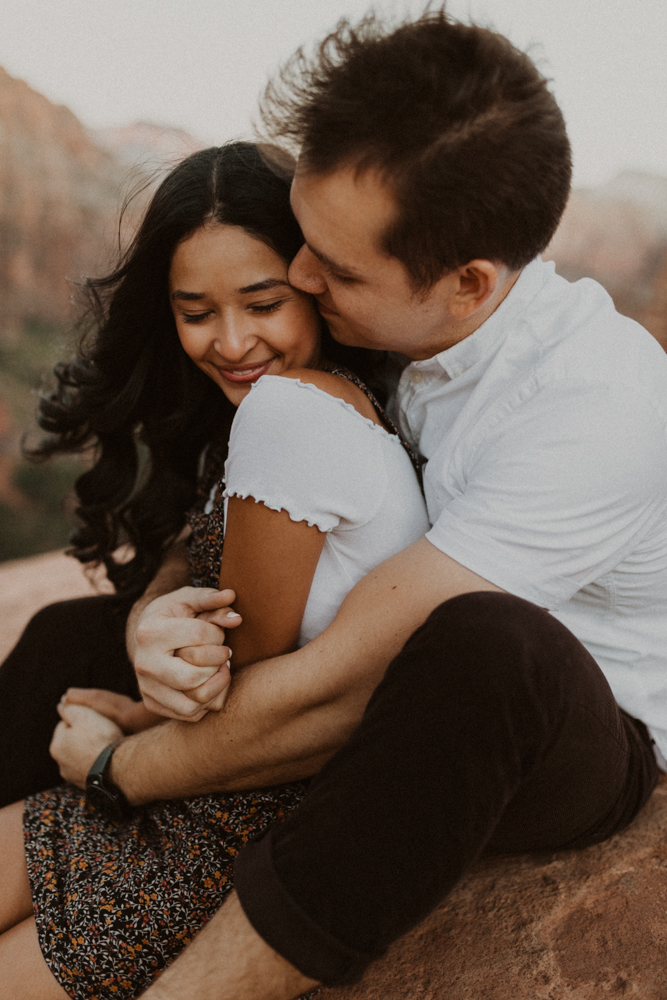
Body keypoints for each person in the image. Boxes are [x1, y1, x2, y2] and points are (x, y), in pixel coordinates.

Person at [5, 9, 667, 1000]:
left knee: (485, 647)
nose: (302, 277)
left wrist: (125, 766)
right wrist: (157, 619)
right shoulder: (400, 325)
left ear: (466, 283)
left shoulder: (594, 404)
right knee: (67, 633)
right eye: (305, 240)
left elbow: (351, 681)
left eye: (334, 267)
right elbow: (256, 509)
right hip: (380, 671)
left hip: (561, 726)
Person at [0, 141, 428, 998]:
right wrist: (143, 628)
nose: (231, 341)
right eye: (195, 311)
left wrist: (118, 741)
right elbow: (201, 564)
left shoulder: (290, 412)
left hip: (214, 832)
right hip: (186, 792)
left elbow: (238, 683)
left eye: (261, 302)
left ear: (314, 277)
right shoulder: (328, 396)